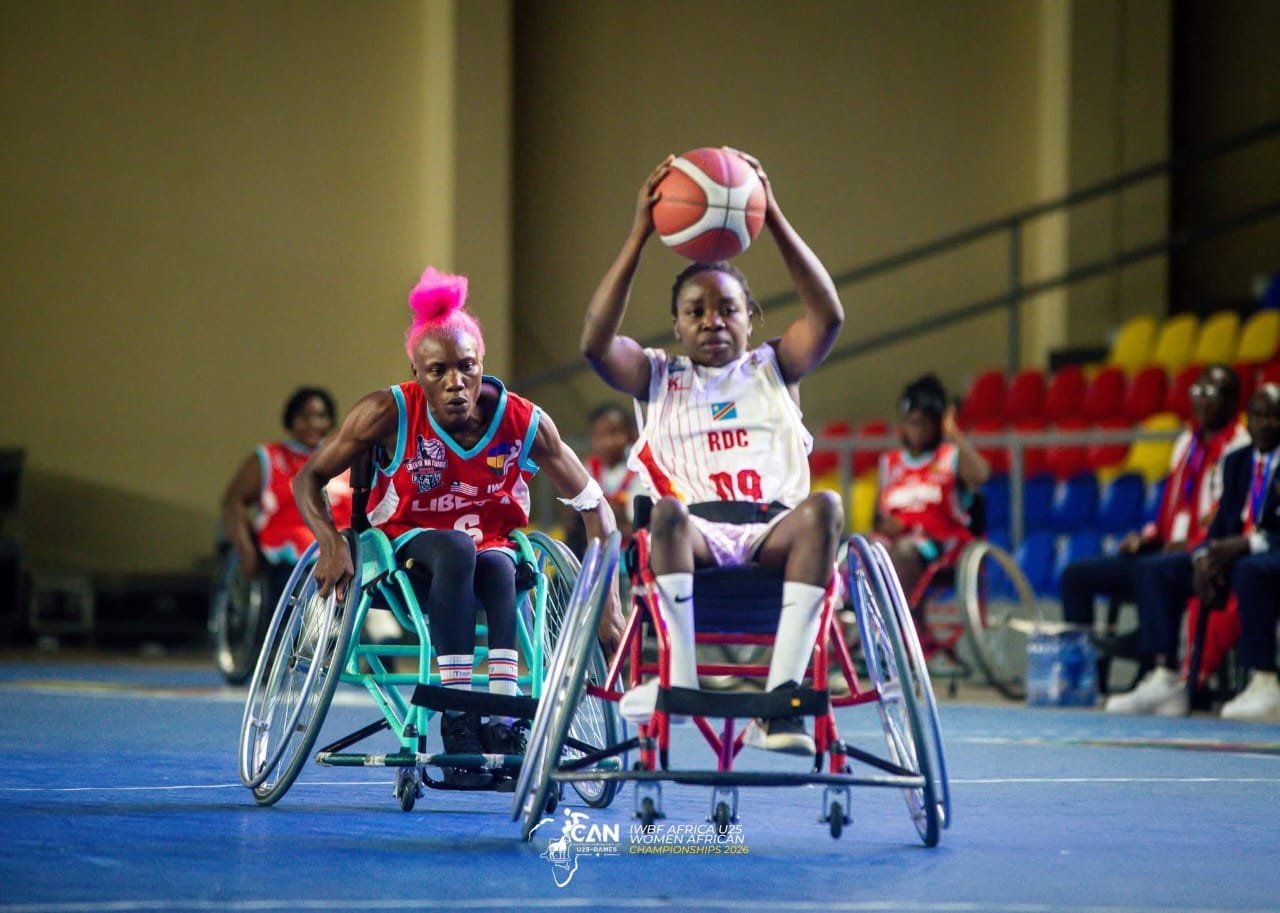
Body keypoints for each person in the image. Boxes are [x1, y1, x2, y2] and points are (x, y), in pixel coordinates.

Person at [295, 267, 621, 788]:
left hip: (489, 551)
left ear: (481, 364)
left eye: (466, 367)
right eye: (437, 371)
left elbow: (595, 507)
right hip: (407, 551)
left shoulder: (523, 422)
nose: (454, 383)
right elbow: (307, 478)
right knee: (456, 547)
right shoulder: (386, 411)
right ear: (416, 372)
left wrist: (609, 607)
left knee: (499, 565)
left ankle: (503, 722)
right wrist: (331, 542)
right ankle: (458, 717)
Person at [580, 148, 844, 755]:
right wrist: (639, 235)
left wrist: (773, 218)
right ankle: (680, 681)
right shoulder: (656, 376)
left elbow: (828, 316)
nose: (712, 322)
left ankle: (781, 699)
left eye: (728, 309)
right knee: (665, 512)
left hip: (773, 531)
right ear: (676, 325)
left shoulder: (776, 367)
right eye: (695, 312)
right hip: (690, 534)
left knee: (827, 508)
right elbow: (595, 343)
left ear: (751, 318)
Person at [1100, 364, 1250, 715]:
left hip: (1210, 547)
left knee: (1154, 570)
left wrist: (1195, 542)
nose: (1201, 401)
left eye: (1210, 394)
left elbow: (1226, 511)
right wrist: (1149, 535)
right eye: (1197, 392)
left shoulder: (1240, 447)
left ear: (1232, 401)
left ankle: (1162, 672)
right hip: (1171, 545)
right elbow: (1172, 504)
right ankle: (1090, 676)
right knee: (1078, 575)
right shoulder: (1187, 442)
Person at [221, 387, 353, 617]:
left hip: (344, 548)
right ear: (290, 420)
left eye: (320, 416)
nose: (312, 423)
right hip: (288, 557)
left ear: (330, 420)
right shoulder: (269, 457)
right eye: (303, 416)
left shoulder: (345, 458)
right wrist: (246, 551)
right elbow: (234, 503)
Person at [1193, 383, 1280, 721]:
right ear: (1248, 419)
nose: (1265, 423)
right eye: (1258, 415)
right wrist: (1205, 555)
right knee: (1158, 569)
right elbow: (1220, 525)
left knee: (1249, 569)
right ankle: (1167, 674)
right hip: (1245, 553)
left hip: (1268, 552)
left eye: (1274, 416)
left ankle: (1266, 679)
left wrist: (1247, 545)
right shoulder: (1236, 461)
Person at [874, 373, 990, 602]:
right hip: (896, 542)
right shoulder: (890, 462)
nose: (918, 430)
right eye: (913, 422)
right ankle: (856, 614)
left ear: (937, 424)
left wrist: (952, 431)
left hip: (940, 547)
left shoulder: (949, 456)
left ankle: (892, 618)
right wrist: (887, 526)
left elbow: (982, 474)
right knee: (865, 549)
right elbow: (878, 519)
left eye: (925, 423)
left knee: (904, 551)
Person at [564, 402, 645, 557]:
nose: (607, 442)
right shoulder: (587, 469)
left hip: (628, 554)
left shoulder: (638, 471)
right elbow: (572, 522)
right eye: (599, 436)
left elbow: (637, 526)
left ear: (630, 435)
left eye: (614, 433)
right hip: (593, 552)